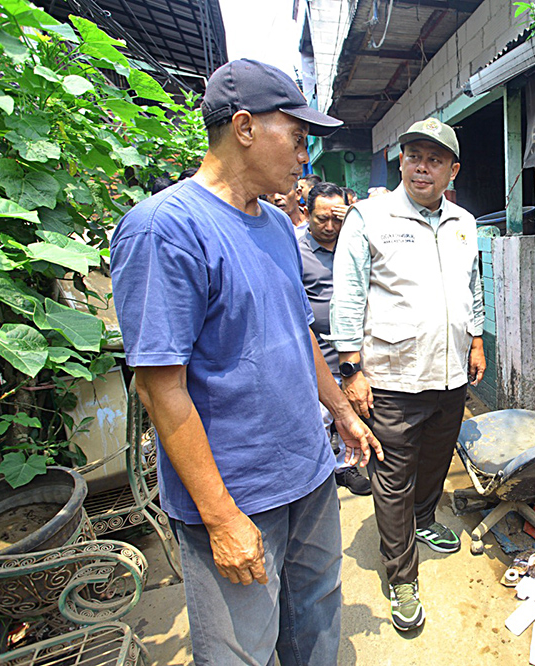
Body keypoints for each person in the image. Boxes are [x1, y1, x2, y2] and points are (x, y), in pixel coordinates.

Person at [110, 59, 382, 665]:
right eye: (298, 136)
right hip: (238, 493)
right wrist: (219, 515)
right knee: (242, 649)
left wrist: (339, 411)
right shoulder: (166, 229)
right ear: (244, 127)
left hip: (308, 473)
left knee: (315, 619)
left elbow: (298, 331)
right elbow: (160, 389)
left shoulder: (278, 228)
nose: (306, 156)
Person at [331, 118, 486, 632]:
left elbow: (472, 286)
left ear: (452, 170)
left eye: (435, 159)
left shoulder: (465, 222)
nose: (423, 166)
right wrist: (351, 369)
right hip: (393, 377)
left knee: (437, 459)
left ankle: (423, 520)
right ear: (401, 161)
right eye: (414, 155)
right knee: (392, 478)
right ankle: (401, 576)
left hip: (449, 376)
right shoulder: (370, 218)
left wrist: (478, 339)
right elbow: (349, 296)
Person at [298, 181, 372, 496]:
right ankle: (320, 473)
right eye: (321, 219)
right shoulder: (295, 249)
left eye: (337, 219)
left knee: (354, 405)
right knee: (321, 412)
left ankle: (346, 465)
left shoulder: (357, 242)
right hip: (316, 348)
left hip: (356, 345)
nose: (330, 227)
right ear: (306, 214)